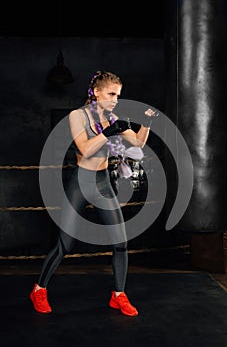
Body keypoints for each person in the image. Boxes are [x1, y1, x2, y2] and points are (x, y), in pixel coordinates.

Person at [29, 70, 155, 317]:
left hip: (103, 183)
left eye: (118, 95)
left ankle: (118, 295)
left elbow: (138, 143)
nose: (115, 99)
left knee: (121, 242)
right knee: (65, 244)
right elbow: (85, 149)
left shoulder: (113, 117)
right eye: (111, 94)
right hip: (80, 182)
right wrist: (109, 132)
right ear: (96, 92)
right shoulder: (77, 116)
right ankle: (39, 289)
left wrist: (148, 123)